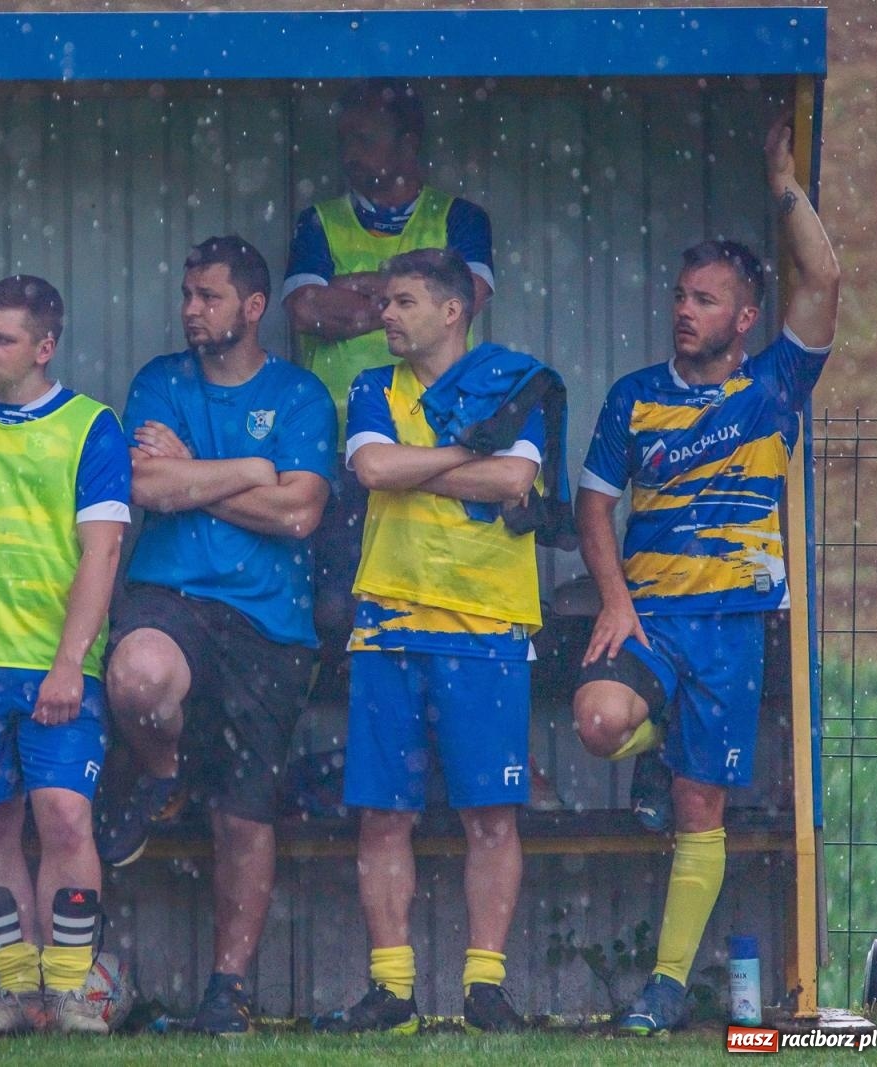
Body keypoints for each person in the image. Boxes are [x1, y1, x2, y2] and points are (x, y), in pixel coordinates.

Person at [571, 114, 839, 1035]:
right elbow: (593, 506)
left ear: (744, 317)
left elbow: (826, 280)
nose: (686, 310)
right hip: (650, 618)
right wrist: (616, 601)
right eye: (681, 295)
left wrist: (782, 183)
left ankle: (666, 985)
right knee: (598, 721)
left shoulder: (774, 385)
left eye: (707, 299)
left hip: (733, 628)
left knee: (700, 806)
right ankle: (659, 743)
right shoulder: (633, 396)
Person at [98, 236, 335, 1034]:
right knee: (137, 674)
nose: (192, 310)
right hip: (171, 596)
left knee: (244, 813)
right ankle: (162, 772)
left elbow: (300, 513)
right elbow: (144, 484)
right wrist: (250, 470)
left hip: (270, 621)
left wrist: (195, 470)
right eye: (187, 295)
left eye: (209, 296)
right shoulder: (160, 380)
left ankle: (226, 989)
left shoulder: (299, 394)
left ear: (254, 306)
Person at [327, 248, 551, 1035]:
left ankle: (484, 987)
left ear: (453, 310)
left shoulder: (517, 381)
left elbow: (514, 482)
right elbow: (372, 469)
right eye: (384, 301)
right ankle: (392, 991)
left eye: (404, 302)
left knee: (490, 815)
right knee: (383, 814)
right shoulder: (372, 386)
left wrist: (418, 467)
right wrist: (469, 454)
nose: (385, 314)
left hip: (488, 623)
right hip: (389, 624)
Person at [0, 276, 131, 1036]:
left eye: (2, 338)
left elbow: (102, 550)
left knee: (65, 814)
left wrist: (70, 661)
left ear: (45, 347)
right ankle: (15, 992)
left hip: (54, 658)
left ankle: (70, 992)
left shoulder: (90, 426)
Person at [283, 78, 495, 703]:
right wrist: (410, 295)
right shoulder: (318, 221)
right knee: (336, 605)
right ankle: (359, 723)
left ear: (409, 144)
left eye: (366, 138)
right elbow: (305, 311)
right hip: (339, 441)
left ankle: (418, 722)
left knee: (431, 598)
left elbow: (469, 299)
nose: (350, 152)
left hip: (435, 437)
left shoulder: (461, 219)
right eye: (345, 139)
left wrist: (355, 292)